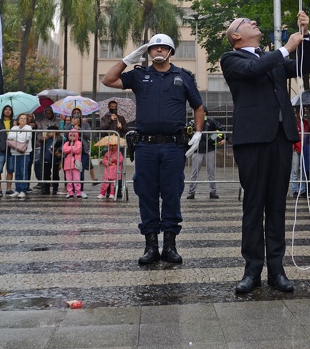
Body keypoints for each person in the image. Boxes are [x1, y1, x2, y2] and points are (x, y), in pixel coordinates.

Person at [220, 12, 310, 294]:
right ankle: (252, 269)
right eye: (246, 22)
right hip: (253, 140)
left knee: (276, 205)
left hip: (280, 138)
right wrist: (285, 48)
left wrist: (304, 35)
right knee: (254, 205)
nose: (253, 23)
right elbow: (253, 71)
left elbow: (300, 67)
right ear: (236, 35)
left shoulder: (270, 58)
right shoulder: (232, 58)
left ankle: (277, 269)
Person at [102, 32, 205, 267]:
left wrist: (198, 133)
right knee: (146, 194)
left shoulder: (183, 77)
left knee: (171, 193)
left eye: (162, 47)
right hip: (146, 146)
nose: (158, 51)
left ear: (170, 52)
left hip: (172, 146)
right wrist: (127, 59)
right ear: (148, 52)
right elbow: (108, 80)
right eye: (153, 48)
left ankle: (169, 245)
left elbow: (198, 106)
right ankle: (150, 246)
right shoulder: (139, 75)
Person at [187, 109, 223, 200]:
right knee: (194, 172)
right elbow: (187, 133)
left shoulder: (211, 121)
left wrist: (214, 139)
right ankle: (191, 192)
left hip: (209, 149)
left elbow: (221, 130)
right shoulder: (192, 122)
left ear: (205, 112)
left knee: (211, 171)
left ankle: (212, 192)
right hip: (197, 150)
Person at [36, 106, 63, 195]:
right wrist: (41, 138)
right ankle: (45, 188)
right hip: (46, 152)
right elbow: (39, 133)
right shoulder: (42, 122)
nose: (48, 115)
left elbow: (61, 134)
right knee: (45, 172)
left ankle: (55, 188)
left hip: (55, 154)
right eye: (46, 113)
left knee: (55, 173)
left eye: (49, 113)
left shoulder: (58, 122)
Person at [6, 113, 34, 199]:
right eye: (21, 118)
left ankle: (23, 190)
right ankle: (17, 189)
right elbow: (9, 136)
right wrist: (19, 135)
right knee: (17, 172)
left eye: (24, 118)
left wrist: (16, 136)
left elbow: (24, 139)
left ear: (27, 120)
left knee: (23, 171)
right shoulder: (14, 128)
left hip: (25, 153)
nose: (22, 120)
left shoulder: (28, 128)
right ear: (18, 120)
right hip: (14, 152)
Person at [0, 105, 14, 199]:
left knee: (10, 169)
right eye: (6, 109)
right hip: (1, 149)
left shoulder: (14, 122)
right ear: (3, 111)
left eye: (9, 110)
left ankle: (9, 189)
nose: (8, 111)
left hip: (12, 149)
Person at [62, 128, 83, 198]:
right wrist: (73, 148)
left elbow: (77, 150)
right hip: (67, 164)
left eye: (74, 135)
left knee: (76, 179)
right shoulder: (66, 143)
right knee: (69, 179)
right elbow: (64, 149)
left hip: (76, 164)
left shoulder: (79, 143)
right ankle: (70, 192)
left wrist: (70, 148)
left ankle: (78, 192)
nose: (72, 137)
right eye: (71, 135)